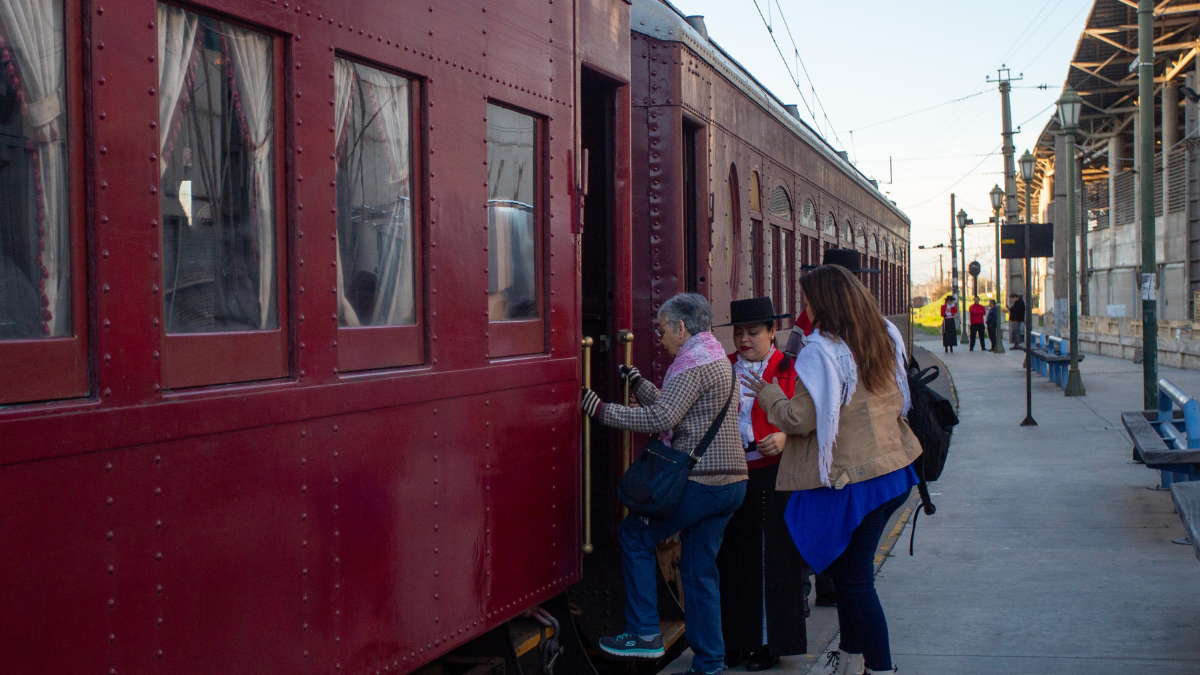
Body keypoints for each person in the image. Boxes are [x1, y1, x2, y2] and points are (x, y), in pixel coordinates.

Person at [743, 264, 922, 675]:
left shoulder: (822, 350)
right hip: (892, 468)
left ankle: (880, 667)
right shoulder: (879, 333)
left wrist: (769, 395)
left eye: (807, 301)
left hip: (855, 477)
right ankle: (853, 657)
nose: (804, 309)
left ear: (823, 302)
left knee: (856, 579)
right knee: (848, 573)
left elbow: (801, 419)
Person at [582, 292, 747, 675]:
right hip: (731, 484)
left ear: (681, 327)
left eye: (662, 331)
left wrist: (602, 411)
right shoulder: (714, 358)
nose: (661, 339)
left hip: (703, 482)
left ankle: (643, 634)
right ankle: (710, 664)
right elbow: (680, 410)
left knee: (635, 535)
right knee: (698, 573)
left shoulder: (691, 364)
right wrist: (639, 385)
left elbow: (662, 419)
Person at [714, 298, 807, 671]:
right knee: (734, 558)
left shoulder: (790, 369)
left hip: (774, 472)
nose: (744, 339)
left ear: (773, 332)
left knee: (773, 559)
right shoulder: (724, 369)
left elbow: (808, 416)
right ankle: (736, 640)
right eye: (738, 333)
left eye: (753, 332)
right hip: (733, 472)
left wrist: (785, 435)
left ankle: (770, 644)